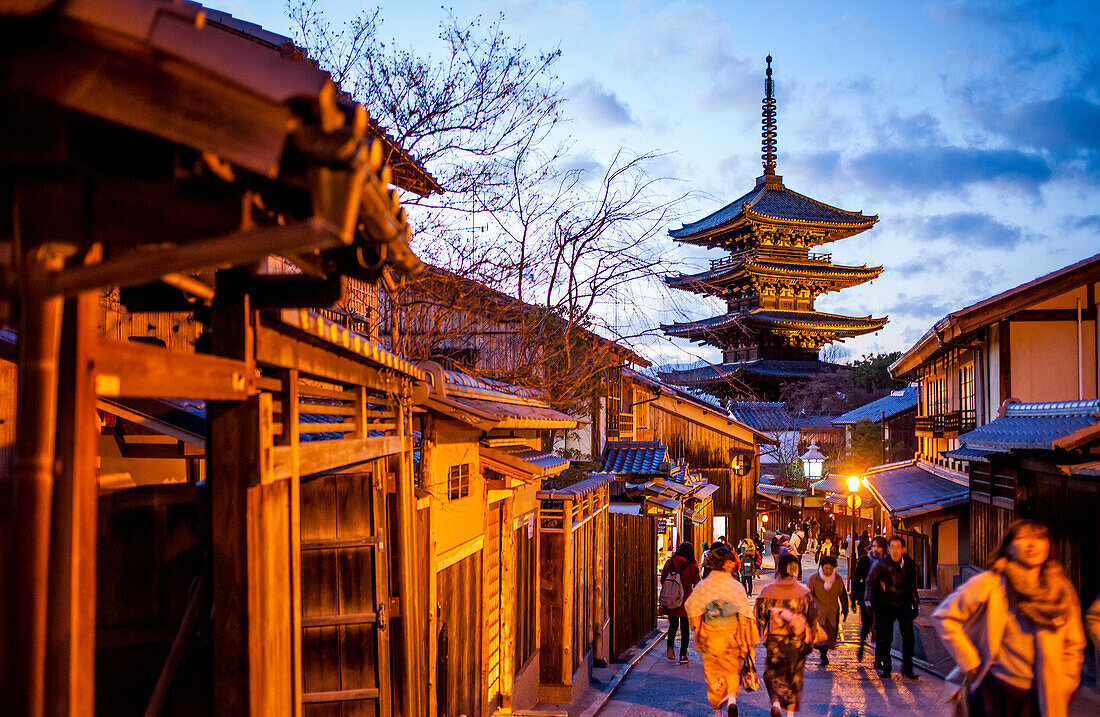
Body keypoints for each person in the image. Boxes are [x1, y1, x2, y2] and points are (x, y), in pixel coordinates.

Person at [933, 520, 1085, 717]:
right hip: (996, 690)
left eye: (1039, 538)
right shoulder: (992, 583)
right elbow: (944, 616)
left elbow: (1074, 643)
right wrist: (971, 661)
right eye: (1022, 538)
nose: (1032, 545)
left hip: (1043, 695)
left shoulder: (1061, 591)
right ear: (1008, 547)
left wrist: (1068, 680)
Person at [685, 544, 760, 717]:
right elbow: (745, 615)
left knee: (714, 675)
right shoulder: (735, 586)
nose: (734, 564)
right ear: (726, 564)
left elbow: (692, 609)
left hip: (711, 636)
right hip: (732, 636)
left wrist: (698, 627)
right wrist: (748, 639)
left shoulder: (704, 586)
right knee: (733, 671)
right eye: (732, 561)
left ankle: (717, 712)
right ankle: (732, 700)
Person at [756, 553, 818, 717]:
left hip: (775, 640)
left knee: (773, 674)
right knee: (793, 678)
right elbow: (812, 618)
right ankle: (789, 714)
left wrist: (765, 635)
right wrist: (810, 641)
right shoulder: (803, 592)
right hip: (796, 643)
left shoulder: (767, 591)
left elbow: (761, 618)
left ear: (779, 568)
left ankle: (776, 703)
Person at [866, 535, 920, 679]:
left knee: (909, 637)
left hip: (904, 603)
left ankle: (907, 668)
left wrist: (915, 604)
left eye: (898, 547)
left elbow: (912, 586)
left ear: (903, 549)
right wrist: (869, 601)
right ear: (889, 549)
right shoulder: (881, 563)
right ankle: (887, 667)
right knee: (885, 637)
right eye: (892, 547)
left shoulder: (909, 564)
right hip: (886, 603)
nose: (895, 551)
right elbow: (870, 581)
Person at [661, 542, 702, 664]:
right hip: (686, 601)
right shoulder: (692, 566)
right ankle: (683, 655)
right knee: (685, 629)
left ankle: (670, 649)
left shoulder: (670, 563)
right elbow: (697, 583)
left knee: (672, 626)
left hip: (672, 598)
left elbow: (663, 579)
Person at [806, 555, 848, 666]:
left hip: (832, 613)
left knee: (830, 637)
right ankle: (823, 655)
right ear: (821, 567)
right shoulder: (814, 578)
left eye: (831, 569)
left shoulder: (837, 579)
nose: (828, 571)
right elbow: (807, 596)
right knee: (821, 637)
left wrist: (845, 608)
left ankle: (824, 653)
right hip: (818, 614)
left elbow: (843, 595)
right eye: (826, 568)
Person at [851, 535, 887, 663]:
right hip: (864, 598)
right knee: (866, 625)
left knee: (879, 629)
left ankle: (878, 660)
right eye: (874, 546)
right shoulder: (864, 560)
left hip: (881, 600)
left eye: (879, 546)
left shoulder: (886, 563)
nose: (876, 549)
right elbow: (856, 580)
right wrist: (853, 598)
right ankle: (861, 646)